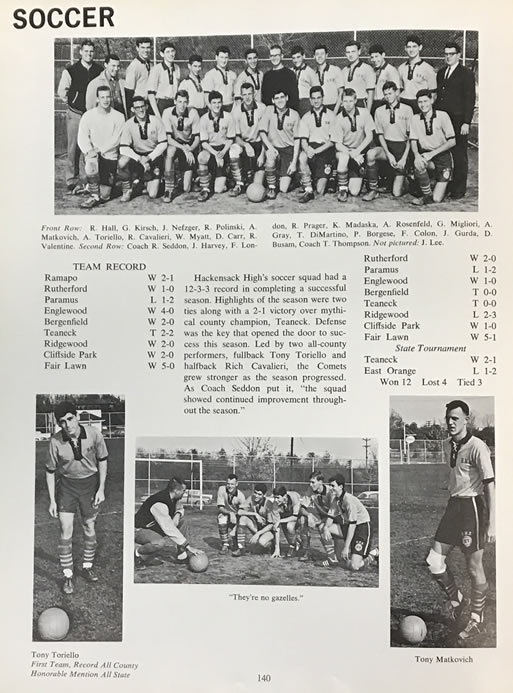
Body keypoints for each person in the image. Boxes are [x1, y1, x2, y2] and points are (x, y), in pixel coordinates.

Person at [426, 400, 495, 641]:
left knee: (474, 567)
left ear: (467, 419)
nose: (450, 422)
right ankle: (458, 601)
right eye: (448, 418)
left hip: (472, 508)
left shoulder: (477, 446)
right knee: (434, 561)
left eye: (456, 418)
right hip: (453, 506)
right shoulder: (447, 445)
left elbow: (489, 485)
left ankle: (477, 619)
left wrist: (492, 522)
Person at [45, 401, 108, 595]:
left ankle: (87, 566)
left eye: (70, 419)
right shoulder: (55, 441)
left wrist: (101, 489)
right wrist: (52, 500)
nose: (67, 425)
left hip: (90, 485)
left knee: (89, 526)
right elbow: (50, 471)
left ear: (77, 417)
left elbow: (103, 460)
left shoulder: (94, 434)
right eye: (62, 422)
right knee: (66, 529)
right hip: (67, 487)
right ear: (59, 424)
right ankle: (68, 575)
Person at [57, 40, 103, 193]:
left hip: (93, 115)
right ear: (80, 52)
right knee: (74, 148)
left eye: (91, 51)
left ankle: (91, 179)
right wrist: (74, 102)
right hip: (76, 114)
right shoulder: (71, 70)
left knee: (92, 146)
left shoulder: (99, 70)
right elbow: (62, 92)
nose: (89, 54)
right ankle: (72, 179)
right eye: (86, 51)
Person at [436, 42, 476, 199]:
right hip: (443, 120)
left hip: (459, 120)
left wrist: (466, 121)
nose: (448, 56)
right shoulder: (441, 73)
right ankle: (445, 184)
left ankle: (459, 189)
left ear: (458, 55)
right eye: (445, 54)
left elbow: (469, 99)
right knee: (444, 154)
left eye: (451, 54)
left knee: (459, 154)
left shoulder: (466, 74)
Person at [135, 477, 202, 567]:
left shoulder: (172, 497)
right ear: (176, 490)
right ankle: (138, 554)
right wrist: (188, 546)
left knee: (183, 521)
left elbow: (180, 507)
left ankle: (181, 555)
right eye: (183, 491)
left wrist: (177, 515)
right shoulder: (160, 503)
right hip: (139, 530)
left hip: (154, 528)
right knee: (159, 542)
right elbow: (168, 528)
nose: (184, 493)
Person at [363, 81, 413, 201]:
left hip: (402, 149)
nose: (388, 96)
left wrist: (404, 158)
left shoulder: (407, 109)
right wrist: (389, 154)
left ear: (396, 93)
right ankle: (373, 190)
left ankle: (406, 179)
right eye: (385, 94)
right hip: (387, 148)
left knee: (396, 193)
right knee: (371, 154)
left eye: (390, 93)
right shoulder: (379, 111)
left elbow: (412, 137)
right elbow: (380, 135)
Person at [77, 85, 125, 209]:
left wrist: (101, 149)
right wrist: (89, 151)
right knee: (91, 164)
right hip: (94, 155)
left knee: (105, 196)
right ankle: (93, 195)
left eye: (108, 97)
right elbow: (82, 137)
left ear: (111, 98)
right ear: (97, 99)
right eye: (102, 97)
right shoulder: (88, 116)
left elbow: (116, 139)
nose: (105, 100)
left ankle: (102, 185)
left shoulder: (119, 116)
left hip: (110, 155)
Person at [317, 475, 378, 570]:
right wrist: (325, 529)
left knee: (354, 566)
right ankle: (333, 559)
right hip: (348, 526)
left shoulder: (349, 500)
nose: (331, 488)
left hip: (362, 528)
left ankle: (374, 553)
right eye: (330, 486)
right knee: (322, 527)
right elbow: (330, 517)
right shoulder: (335, 500)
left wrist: (346, 548)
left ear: (340, 486)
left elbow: (352, 525)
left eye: (333, 486)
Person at [409, 89, 455, 205]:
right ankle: (426, 195)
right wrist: (416, 155)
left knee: (437, 199)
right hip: (426, 155)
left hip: (443, 157)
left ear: (432, 100)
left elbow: (452, 141)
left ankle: (438, 183)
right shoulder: (415, 119)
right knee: (418, 164)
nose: (423, 105)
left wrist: (432, 154)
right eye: (420, 102)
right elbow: (413, 141)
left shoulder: (443, 116)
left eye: (425, 101)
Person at [329, 87, 375, 202]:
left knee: (354, 192)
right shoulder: (338, 118)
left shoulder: (364, 113)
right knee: (343, 158)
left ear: (355, 100)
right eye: (345, 101)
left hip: (359, 151)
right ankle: (342, 190)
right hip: (345, 151)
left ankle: (354, 176)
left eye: (350, 101)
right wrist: (352, 154)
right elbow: (337, 145)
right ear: (342, 102)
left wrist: (358, 151)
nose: (348, 104)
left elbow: (370, 136)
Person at [117, 96, 167, 202]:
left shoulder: (156, 121)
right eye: (137, 107)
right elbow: (123, 148)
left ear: (147, 106)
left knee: (152, 194)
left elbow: (163, 144)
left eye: (142, 106)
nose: (141, 110)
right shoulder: (128, 124)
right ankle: (128, 189)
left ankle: (142, 182)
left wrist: (149, 157)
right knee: (122, 162)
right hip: (138, 157)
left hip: (153, 155)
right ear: (132, 109)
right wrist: (139, 158)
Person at [297, 85, 336, 203]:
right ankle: (308, 190)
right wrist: (307, 149)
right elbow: (303, 140)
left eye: (318, 97)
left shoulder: (331, 115)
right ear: (310, 100)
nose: (316, 100)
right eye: (313, 98)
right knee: (302, 156)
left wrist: (317, 151)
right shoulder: (305, 117)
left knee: (320, 190)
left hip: (325, 150)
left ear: (323, 98)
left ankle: (329, 177)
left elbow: (332, 141)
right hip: (311, 148)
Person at [259, 90, 301, 199]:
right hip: (275, 148)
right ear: (273, 100)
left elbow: (297, 140)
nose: (280, 100)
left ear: (287, 98)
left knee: (283, 189)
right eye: (276, 98)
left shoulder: (294, 114)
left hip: (288, 150)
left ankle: (291, 177)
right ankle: (272, 187)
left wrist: (294, 162)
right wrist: (270, 147)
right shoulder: (268, 111)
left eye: (282, 97)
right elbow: (262, 133)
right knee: (270, 156)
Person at [162, 90, 201, 202]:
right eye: (179, 102)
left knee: (186, 188)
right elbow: (169, 139)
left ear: (188, 102)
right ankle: (168, 189)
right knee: (170, 151)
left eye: (185, 102)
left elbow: (197, 139)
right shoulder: (167, 112)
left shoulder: (193, 113)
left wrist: (191, 149)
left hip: (189, 145)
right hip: (175, 143)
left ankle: (184, 178)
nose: (182, 105)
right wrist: (183, 148)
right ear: (175, 101)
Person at [197, 91, 236, 201]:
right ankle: (205, 189)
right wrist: (215, 154)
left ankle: (226, 176)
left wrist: (222, 153)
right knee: (201, 157)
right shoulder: (204, 119)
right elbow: (204, 142)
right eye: (214, 103)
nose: (217, 105)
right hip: (211, 150)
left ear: (222, 103)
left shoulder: (228, 117)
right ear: (209, 104)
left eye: (219, 102)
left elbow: (230, 139)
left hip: (223, 149)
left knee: (218, 190)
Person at [229, 82, 266, 194]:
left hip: (260, 144)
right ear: (241, 95)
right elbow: (236, 137)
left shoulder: (262, 108)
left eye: (250, 94)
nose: (247, 97)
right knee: (234, 149)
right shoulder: (236, 111)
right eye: (244, 94)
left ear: (254, 94)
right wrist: (246, 145)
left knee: (256, 186)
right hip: (244, 144)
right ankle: (238, 183)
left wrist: (262, 154)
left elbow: (266, 135)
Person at [298, 471, 333, 561]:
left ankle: (332, 555)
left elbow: (334, 513)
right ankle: (307, 550)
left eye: (313, 482)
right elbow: (302, 509)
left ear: (320, 482)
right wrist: (309, 515)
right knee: (303, 519)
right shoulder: (310, 490)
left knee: (323, 528)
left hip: (333, 518)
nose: (310, 484)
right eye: (310, 482)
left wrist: (323, 523)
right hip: (321, 516)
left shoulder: (331, 491)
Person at [398, 34, 437, 112]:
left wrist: (427, 108)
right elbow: (400, 89)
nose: (411, 50)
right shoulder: (401, 68)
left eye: (414, 46)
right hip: (403, 103)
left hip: (418, 104)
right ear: (405, 48)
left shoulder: (428, 68)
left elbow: (433, 93)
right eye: (409, 47)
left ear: (420, 47)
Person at [233, 484, 273, 556]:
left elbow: (271, 525)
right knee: (243, 518)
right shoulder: (251, 498)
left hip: (267, 530)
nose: (256, 496)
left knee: (261, 543)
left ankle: (270, 545)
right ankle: (241, 548)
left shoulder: (268, 504)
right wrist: (255, 514)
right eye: (255, 493)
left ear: (264, 495)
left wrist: (258, 533)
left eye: (259, 494)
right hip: (257, 527)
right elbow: (239, 512)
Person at [339, 40, 375, 112]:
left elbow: (371, 94)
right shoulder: (344, 70)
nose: (350, 55)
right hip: (347, 104)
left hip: (361, 103)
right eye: (348, 52)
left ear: (359, 52)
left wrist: (367, 113)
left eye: (353, 51)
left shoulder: (367, 69)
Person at [261, 45, 299, 112]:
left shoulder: (290, 74)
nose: (274, 58)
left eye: (276, 55)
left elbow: (294, 99)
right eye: (272, 56)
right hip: (272, 114)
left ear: (282, 56)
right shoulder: (267, 76)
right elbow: (265, 99)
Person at [148, 42, 181, 117]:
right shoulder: (156, 69)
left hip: (173, 103)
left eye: (172, 51)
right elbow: (151, 94)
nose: (171, 54)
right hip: (161, 104)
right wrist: (157, 114)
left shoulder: (177, 68)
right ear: (162, 54)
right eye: (168, 52)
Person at [368, 43, 401, 113]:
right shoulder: (372, 71)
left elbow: (397, 91)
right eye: (372, 57)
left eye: (376, 56)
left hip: (385, 103)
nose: (374, 60)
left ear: (383, 55)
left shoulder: (391, 70)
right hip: (373, 103)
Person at [202, 46, 237, 111]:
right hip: (217, 108)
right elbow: (207, 97)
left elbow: (235, 94)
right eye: (221, 57)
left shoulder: (233, 74)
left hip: (231, 107)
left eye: (226, 57)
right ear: (216, 57)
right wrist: (215, 112)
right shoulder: (210, 74)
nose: (224, 60)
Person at [217, 474, 245, 553]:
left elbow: (243, 513)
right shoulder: (221, 490)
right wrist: (230, 513)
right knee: (221, 517)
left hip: (238, 517)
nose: (230, 486)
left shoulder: (241, 496)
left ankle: (240, 546)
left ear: (237, 484)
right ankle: (225, 544)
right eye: (228, 483)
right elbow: (221, 508)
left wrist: (236, 525)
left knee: (241, 524)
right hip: (227, 515)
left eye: (232, 484)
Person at [270, 486, 302, 558]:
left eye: (278, 498)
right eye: (274, 498)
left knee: (290, 526)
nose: (276, 500)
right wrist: (277, 549)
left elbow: (295, 516)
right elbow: (276, 528)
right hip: (286, 517)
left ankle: (302, 545)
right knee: (287, 528)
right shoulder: (275, 505)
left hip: (299, 517)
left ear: (284, 496)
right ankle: (293, 545)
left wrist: (280, 521)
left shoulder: (294, 497)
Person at [311, 44, 343, 111]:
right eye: (317, 54)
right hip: (319, 108)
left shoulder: (335, 70)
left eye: (322, 53)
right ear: (314, 56)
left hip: (334, 107)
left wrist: (335, 111)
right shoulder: (312, 73)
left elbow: (341, 92)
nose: (319, 56)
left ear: (326, 55)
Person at [124, 38, 152, 112]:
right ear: (137, 48)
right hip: (138, 105)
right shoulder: (134, 66)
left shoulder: (150, 64)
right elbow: (129, 91)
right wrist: (130, 109)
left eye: (148, 47)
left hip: (148, 104)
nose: (146, 50)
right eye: (142, 47)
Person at [290, 45, 317, 116]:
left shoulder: (310, 72)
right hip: (293, 102)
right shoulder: (290, 71)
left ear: (304, 56)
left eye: (298, 57)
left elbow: (316, 90)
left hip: (306, 103)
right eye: (293, 58)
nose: (296, 60)